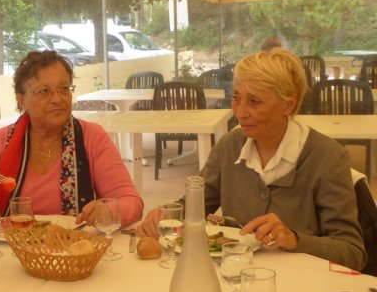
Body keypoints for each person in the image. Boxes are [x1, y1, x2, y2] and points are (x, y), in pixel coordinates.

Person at [140, 48, 367, 271]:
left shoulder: (327, 157)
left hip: (303, 284)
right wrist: (167, 214)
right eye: (236, 98)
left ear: (288, 104)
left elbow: (352, 253)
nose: (240, 112)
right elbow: (196, 206)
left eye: (255, 102)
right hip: (236, 276)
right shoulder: (230, 146)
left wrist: (294, 239)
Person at [0, 50, 143, 228]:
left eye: (63, 89)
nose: (57, 99)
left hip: (74, 244)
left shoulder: (92, 137)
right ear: (22, 100)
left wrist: (109, 211)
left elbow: (131, 202)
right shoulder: (1, 142)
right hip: (13, 244)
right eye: (44, 91)